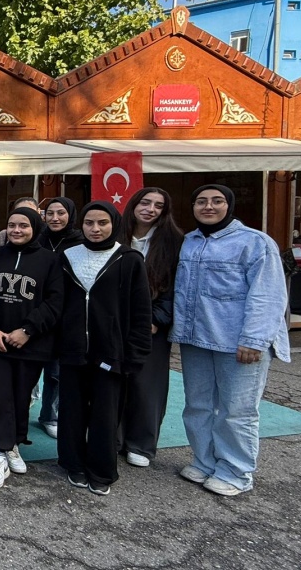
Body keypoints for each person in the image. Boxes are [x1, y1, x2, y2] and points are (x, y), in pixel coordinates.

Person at [171, 185, 290, 496]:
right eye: (201, 201)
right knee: (197, 406)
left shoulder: (254, 242)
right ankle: (204, 461)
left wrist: (254, 339)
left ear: (229, 205)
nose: (208, 207)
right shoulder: (189, 242)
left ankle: (236, 471)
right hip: (196, 340)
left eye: (217, 201)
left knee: (236, 410)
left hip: (238, 343)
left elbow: (268, 295)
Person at [58, 201, 153, 496]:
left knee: (105, 413)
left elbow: (141, 310)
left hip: (110, 350)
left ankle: (101, 470)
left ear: (114, 223)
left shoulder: (129, 258)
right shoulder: (65, 257)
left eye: (102, 223)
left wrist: (135, 353)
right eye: (89, 223)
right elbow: (56, 302)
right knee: (71, 410)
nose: (95, 229)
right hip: (73, 348)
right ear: (81, 224)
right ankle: (72, 463)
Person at [0, 206, 63, 489]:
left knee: (21, 397)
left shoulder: (50, 261)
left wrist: (28, 330)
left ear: (35, 227)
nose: (16, 230)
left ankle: (13, 443)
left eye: (23, 225)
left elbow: (55, 301)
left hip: (31, 345)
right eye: (11, 225)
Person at [118, 188, 184, 468]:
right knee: (115, 382)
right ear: (133, 204)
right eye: (145, 202)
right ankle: (115, 438)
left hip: (153, 325)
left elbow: (180, 287)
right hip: (116, 322)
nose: (150, 209)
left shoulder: (174, 242)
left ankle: (141, 444)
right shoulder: (116, 236)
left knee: (148, 386)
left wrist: (157, 319)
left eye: (158, 205)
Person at [32, 196, 83, 440]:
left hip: (66, 314)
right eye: (50, 213)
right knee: (29, 368)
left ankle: (49, 415)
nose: (54, 218)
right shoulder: (37, 239)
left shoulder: (80, 243)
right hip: (36, 310)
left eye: (60, 213)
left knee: (57, 371)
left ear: (70, 215)